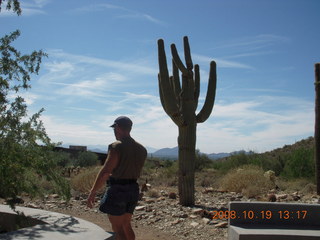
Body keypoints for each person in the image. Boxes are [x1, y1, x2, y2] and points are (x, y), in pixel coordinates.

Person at [87, 116, 147, 240]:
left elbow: (105, 172)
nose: (114, 131)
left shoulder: (116, 146)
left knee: (118, 229)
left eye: (114, 128)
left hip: (118, 190)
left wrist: (93, 191)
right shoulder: (142, 149)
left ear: (118, 128)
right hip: (133, 189)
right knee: (126, 225)